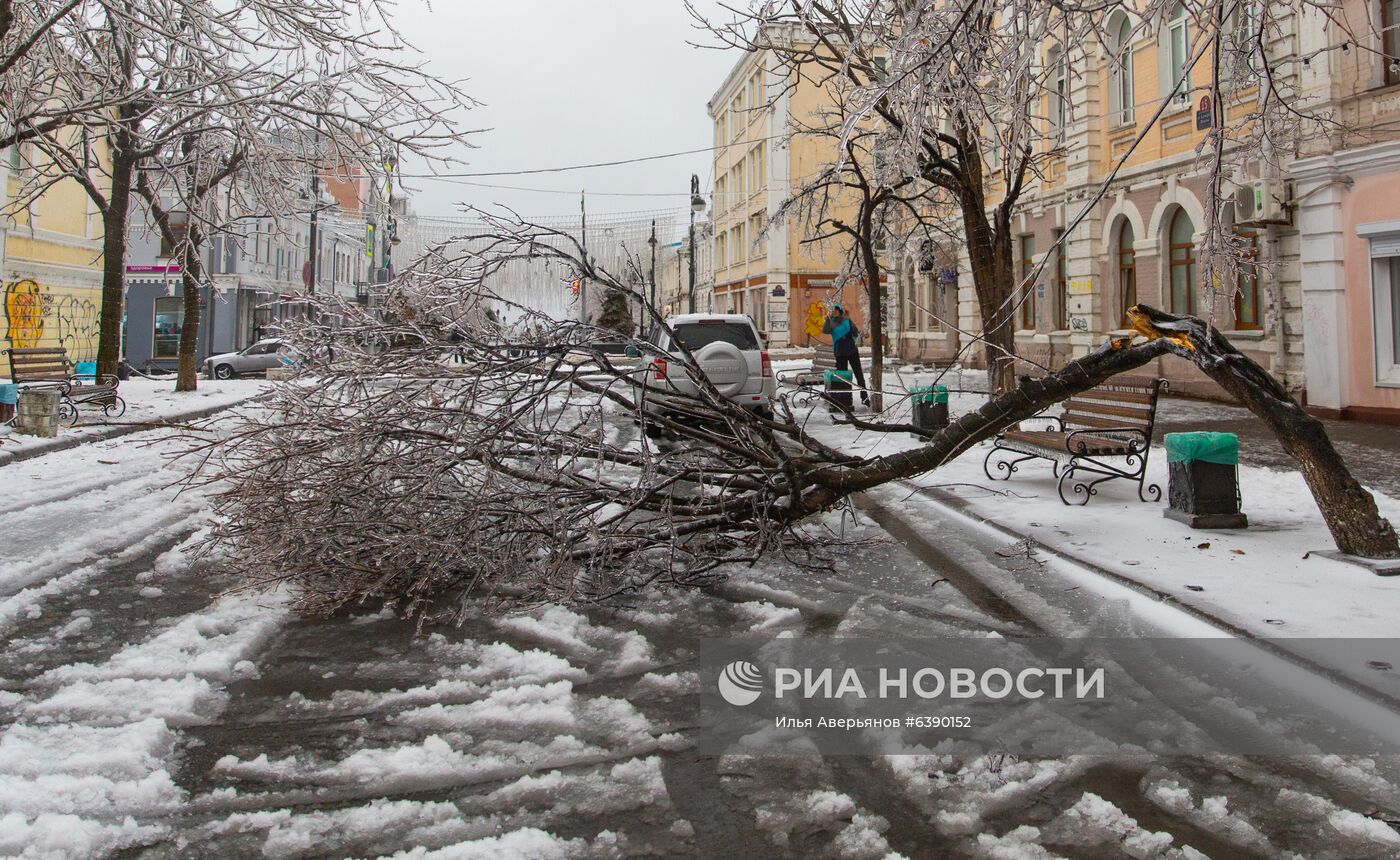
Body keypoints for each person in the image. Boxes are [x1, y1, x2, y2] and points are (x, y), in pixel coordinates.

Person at [822, 304, 869, 406]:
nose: (833, 312)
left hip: (852, 351)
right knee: (841, 378)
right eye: (832, 310)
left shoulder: (847, 321)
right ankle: (842, 399)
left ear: (839, 311)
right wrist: (827, 319)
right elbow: (825, 331)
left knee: (859, 376)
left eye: (835, 310)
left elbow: (856, 333)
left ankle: (864, 398)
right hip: (840, 353)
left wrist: (863, 335)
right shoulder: (831, 322)